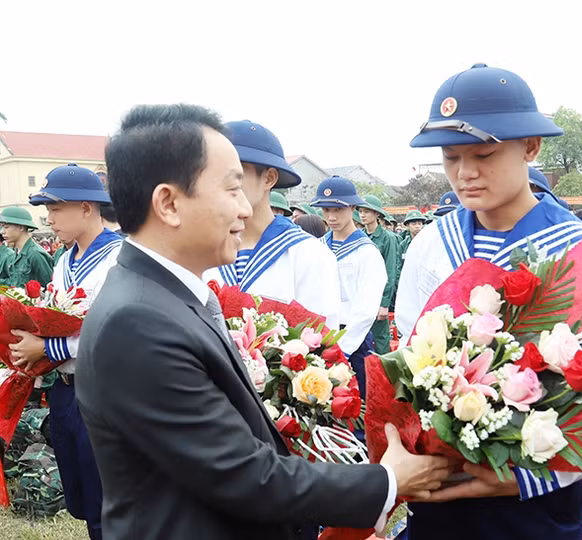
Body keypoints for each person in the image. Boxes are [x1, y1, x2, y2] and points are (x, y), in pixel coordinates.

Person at [75, 104, 452, 540]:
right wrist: (388, 481)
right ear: (168, 203)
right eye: (232, 189)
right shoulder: (138, 322)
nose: (244, 208)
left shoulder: (166, 295)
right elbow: (243, 476)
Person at [396, 63, 582, 540]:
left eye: (483, 154)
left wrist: (524, 477)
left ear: (531, 147)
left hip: (532, 495)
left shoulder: (581, 251)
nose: (464, 174)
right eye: (450, 157)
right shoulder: (431, 243)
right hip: (439, 480)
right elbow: (408, 353)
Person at [10, 163, 123, 540]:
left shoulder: (118, 258)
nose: (49, 219)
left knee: (107, 501)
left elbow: (114, 330)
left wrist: (46, 345)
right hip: (65, 388)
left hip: (104, 390)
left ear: (87, 208)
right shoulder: (63, 260)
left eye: (56, 209)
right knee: (81, 496)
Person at [204, 121, 340, 330]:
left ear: (269, 178)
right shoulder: (201, 251)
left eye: (235, 174)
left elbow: (320, 344)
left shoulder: (308, 255)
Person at [311, 176, 386, 399]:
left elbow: (366, 308)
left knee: (354, 404)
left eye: (338, 209)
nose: (331, 217)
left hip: (354, 339)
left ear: (352, 207)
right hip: (320, 336)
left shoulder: (366, 252)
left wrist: (343, 348)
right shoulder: (318, 247)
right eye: (325, 210)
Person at [357, 194, 399, 355]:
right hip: (362, 296)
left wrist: (384, 303)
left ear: (377, 214)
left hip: (378, 296)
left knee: (380, 339)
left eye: (367, 211)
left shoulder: (387, 238)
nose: (363, 215)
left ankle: (383, 376)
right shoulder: (360, 236)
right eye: (361, 211)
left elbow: (390, 272)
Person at [0, 206, 53, 288]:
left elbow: (49, 288)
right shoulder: (16, 254)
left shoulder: (35, 254)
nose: (2, 231)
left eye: (6, 227)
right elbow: (15, 283)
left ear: (21, 227)